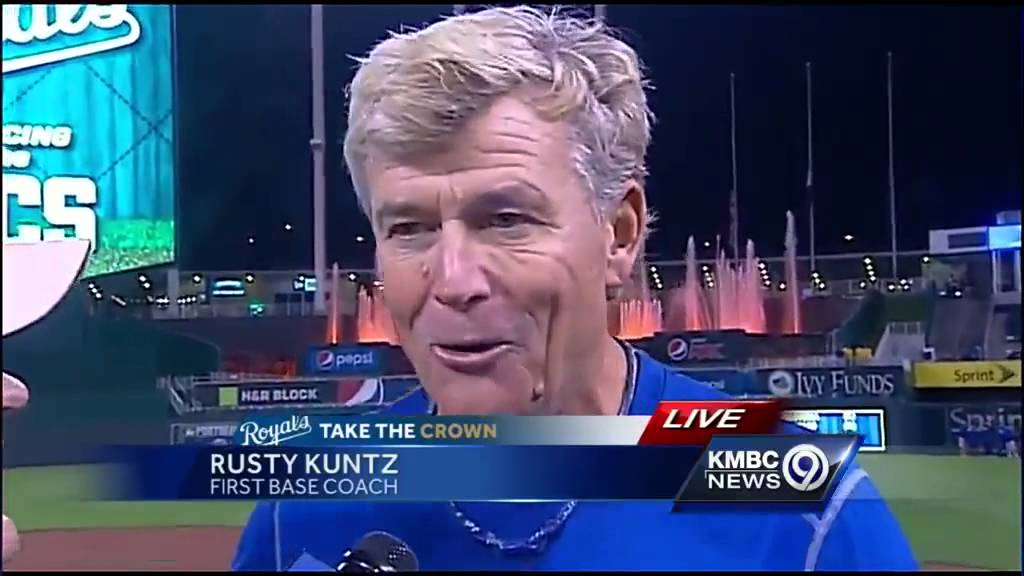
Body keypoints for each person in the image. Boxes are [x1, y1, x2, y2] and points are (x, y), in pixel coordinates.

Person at [234, 6, 916, 570]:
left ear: (619, 234)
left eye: (506, 220)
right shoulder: (307, 503)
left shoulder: (798, 505)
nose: (454, 282)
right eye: (409, 228)